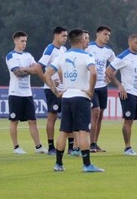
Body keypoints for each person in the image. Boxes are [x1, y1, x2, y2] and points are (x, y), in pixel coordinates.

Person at [44, 28, 103, 172]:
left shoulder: (62, 56)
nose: (88, 41)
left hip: (67, 97)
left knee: (63, 131)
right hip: (81, 97)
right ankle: (87, 165)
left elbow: (47, 74)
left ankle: (58, 164)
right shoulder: (87, 56)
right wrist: (90, 90)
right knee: (83, 131)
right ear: (82, 40)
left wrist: (56, 91)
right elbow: (94, 73)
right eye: (86, 38)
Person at [6, 31, 48, 155]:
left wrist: (25, 68)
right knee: (14, 121)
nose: (24, 43)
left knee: (32, 120)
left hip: (27, 93)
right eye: (22, 41)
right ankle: (16, 147)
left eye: (25, 41)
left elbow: (37, 69)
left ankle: (38, 146)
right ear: (15, 41)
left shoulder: (28, 56)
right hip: (15, 93)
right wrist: (29, 70)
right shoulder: (11, 56)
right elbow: (18, 73)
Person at [86, 26, 117, 153]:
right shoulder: (89, 47)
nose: (107, 37)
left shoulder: (108, 51)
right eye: (105, 34)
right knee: (95, 112)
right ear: (98, 34)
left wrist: (109, 77)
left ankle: (95, 143)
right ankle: (90, 143)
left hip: (103, 87)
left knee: (100, 115)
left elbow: (116, 64)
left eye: (109, 35)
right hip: (91, 86)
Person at [39, 26, 68, 155]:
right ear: (56, 36)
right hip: (52, 89)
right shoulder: (50, 49)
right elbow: (40, 67)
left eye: (66, 36)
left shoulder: (64, 49)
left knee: (67, 116)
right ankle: (51, 146)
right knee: (52, 116)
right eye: (63, 36)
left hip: (64, 89)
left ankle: (71, 147)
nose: (65, 38)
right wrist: (50, 84)